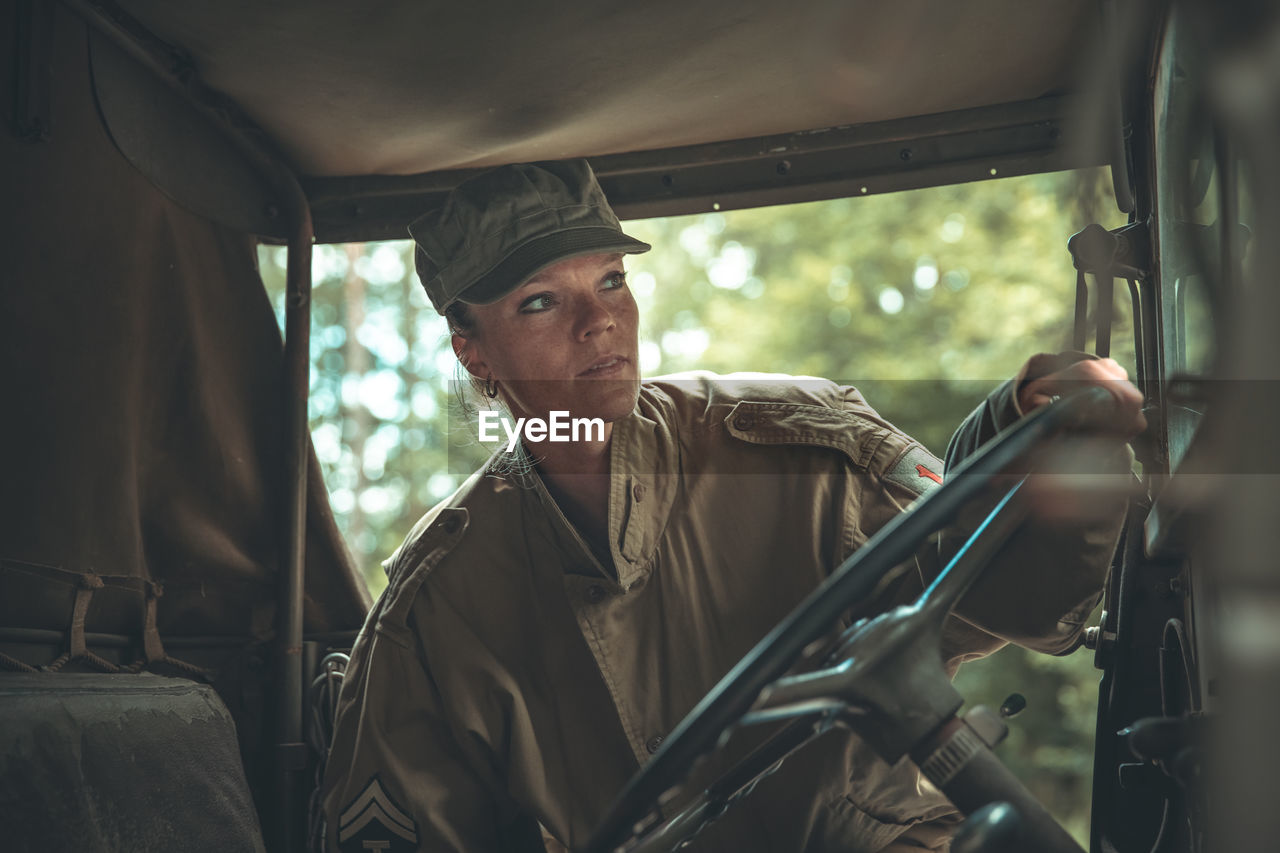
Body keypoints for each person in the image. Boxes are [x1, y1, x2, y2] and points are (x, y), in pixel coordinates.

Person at [321, 160, 1144, 852]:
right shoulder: (437, 603)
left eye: (612, 279)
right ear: (472, 349)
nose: (601, 318)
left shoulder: (797, 443)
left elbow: (1005, 592)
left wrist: (1032, 423)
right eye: (542, 300)